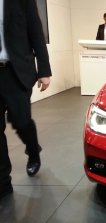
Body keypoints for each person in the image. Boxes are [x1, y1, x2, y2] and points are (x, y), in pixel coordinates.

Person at [0, 0, 52, 200]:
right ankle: (3, 182)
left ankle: (33, 150)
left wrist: (44, 71)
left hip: (16, 71)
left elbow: (36, 33)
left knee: (21, 121)